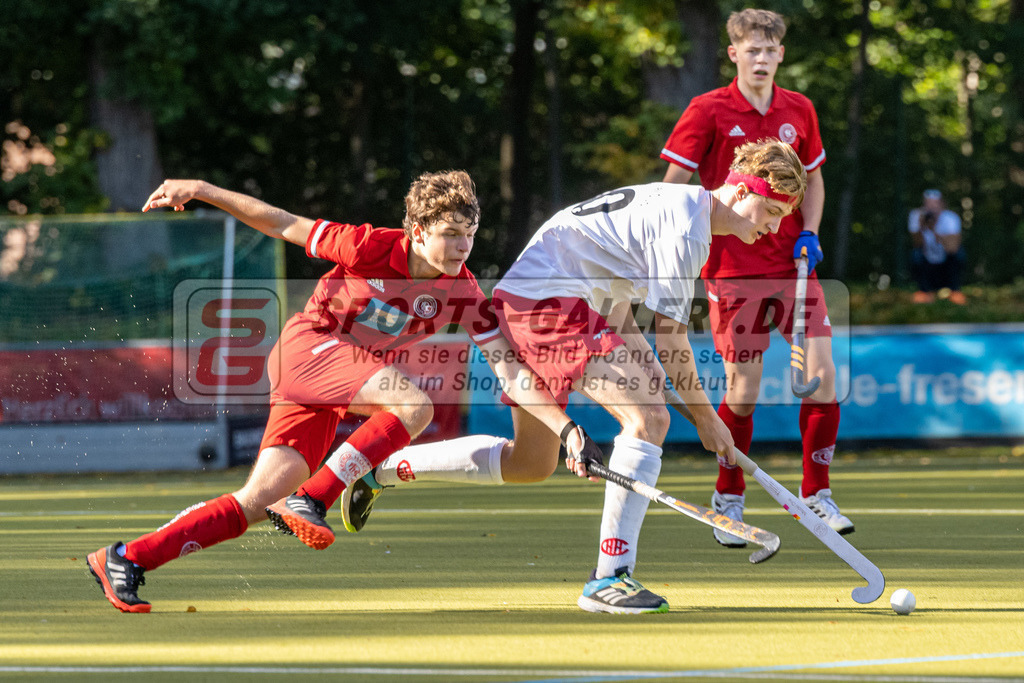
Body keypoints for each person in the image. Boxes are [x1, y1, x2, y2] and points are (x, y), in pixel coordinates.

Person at [86, 170, 603, 613]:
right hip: (307, 349)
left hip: (337, 382)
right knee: (413, 405)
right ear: (418, 232)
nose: (463, 246)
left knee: (255, 502)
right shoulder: (368, 246)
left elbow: (510, 371)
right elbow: (284, 223)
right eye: (450, 234)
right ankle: (313, 498)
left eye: (470, 233)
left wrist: (568, 429)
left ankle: (127, 558)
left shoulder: (464, 292)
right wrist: (202, 188)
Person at [337, 138, 808, 614]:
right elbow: (672, 339)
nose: (772, 229)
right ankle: (610, 578)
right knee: (649, 420)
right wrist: (708, 420)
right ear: (743, 190)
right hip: (546, 305)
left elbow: (623, 315)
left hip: (537, 304)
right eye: (772, 211)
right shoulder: (688, 230)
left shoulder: (678, 210)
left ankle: (383, 469)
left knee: (530, 463)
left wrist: (667, 388)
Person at [659, 8, 854, 548]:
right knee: (742, 390)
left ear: (781, 55)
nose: (762, 59)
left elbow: (813, 180)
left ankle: (816, 495)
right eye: (753, 50)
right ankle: (729, 495)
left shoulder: (800, 109)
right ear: (734, 54)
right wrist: (684, 242)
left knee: (823, 375)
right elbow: (673, 185)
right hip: (732, 269)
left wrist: (809, 231)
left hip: (793, 267)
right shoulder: (708, 110)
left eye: (771, 51)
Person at [908, 189, 965, 304]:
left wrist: (933, 229)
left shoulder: (951, 218)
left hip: (945, 263)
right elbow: (917, 244)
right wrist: (921, 227)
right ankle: (924, 292)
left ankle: (955, 291)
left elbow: (952, 248)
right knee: (915, 255)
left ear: (942, 205)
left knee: (959, 254)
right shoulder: (916, 216)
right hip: (928, 263)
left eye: (934, 204)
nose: (931, 208)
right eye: (928, 204)